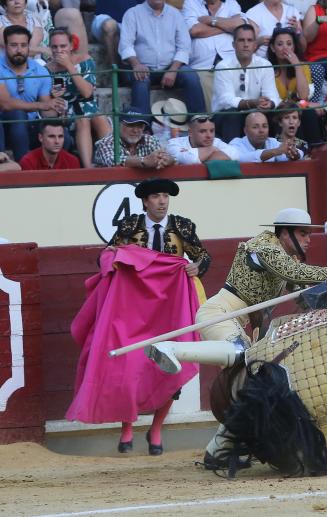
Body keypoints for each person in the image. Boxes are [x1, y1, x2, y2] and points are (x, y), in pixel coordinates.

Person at [177, 206, 327, 469]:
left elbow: (301, 287)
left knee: (255, 388)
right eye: (302, 233)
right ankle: (171, 350)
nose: (308, 239)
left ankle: (218, 451)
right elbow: (296, 274)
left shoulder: (285, 259)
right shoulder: (264, 247)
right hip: (219, 315)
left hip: (244, 324)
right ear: (284, 233)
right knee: (245, 355)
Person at [66, 177, 211, 455]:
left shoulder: (182, 225)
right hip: (134, 307)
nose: (162, 201)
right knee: (129, 366)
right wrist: (113, 261)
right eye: (156, 197)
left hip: (172, 305)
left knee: (170, 362)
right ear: (145, 201)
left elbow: (203, 256)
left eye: (165, 197)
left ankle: (156, 429)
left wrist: (197, 267)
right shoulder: (130, 225)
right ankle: (127, 429)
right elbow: (106, 255)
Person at [119, 0, 205, 116]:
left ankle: (199, 120)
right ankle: (144, 126)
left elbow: (184, 47)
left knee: (191, 76)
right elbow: (125, 45)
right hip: (143, 66)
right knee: (141, 80)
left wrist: (173, 70)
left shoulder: (175, 14)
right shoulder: (132, 13)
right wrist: (136, 64)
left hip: (171, 67)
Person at [45, 27, 111, 168]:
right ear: (50, 48)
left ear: (71, 46)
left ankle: (113, 160)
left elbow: (87, 92)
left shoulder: (85, 60)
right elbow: (47, 100)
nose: (59, 50)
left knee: (99, 117)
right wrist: (52, 95)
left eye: (63, 46)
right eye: (54, 47)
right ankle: (88, 167)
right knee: (83, 119)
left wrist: (69, 66)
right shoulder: (47, 69)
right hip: (64, 110)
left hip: (87, 103)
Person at [0, 25, 63, 159]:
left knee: (63, 134)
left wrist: (56, 108)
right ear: (5, 47)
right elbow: (6, 104)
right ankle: (23, 168)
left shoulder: (40, 70)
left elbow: (46, 108)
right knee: (17, 114)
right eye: (14, 45)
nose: (19, 50)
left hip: (31, 127)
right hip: (3, 127)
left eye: (23, 45)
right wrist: (41, 105)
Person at [211, 23, 280, 142]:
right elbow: (226, 100)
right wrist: (252, 103)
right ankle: (233, 155)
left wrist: (270, 104)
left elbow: (273, 96)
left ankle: (279, 153)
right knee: (233, 114)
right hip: (225, 116)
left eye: (250, 40)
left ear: (254, 44)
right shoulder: (223, 66)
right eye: (241, 40)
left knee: (277, 114)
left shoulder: (265, 65)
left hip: (255, 113)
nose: (246, 44)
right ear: (234, 44)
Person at [182, 0, 245, 113]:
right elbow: (194, 30)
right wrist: (227, 27)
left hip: (230, 63)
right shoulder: (190, 3)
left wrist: (210, 20)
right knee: (211, 113)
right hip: (202, 66)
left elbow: (239, 25)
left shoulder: (231, 3)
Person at [268, 25, 324, 144]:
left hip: (298, 110)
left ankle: (313, 150)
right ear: (273, 48)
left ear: (294, 47)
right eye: (280, 44)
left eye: (289, 44)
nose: (285, 48)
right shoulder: (268, 69)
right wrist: (299, 105)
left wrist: (297, 66)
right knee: (285, 116)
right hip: (277, 112)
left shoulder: (303, 67)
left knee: (307, 113)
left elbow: (303, 96)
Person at [95, 108, 175, 169]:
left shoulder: (150, 140)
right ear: (118, 125)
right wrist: (144, 161)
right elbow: (112, 161)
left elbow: (167, 158)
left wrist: (167, 159)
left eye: (140, 126)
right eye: (131, 125)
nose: (135, 130)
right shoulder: (106, 142)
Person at [166, 114, 241, 164]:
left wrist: (191, 152)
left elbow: (235, 155)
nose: (209, 136)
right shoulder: (174, 143)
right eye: (202, 131)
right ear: (190, 132)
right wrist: (212, 149)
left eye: (212, 131)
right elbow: (189, 159)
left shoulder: (216, 142)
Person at [229, 111, 299, 162]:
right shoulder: (236, 143)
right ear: (245, 130)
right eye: (255, 127)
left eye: (264, 126)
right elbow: (243, 158)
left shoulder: (271, 142)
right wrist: (275, 151)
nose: (261, 130)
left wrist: (294, 154)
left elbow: (292, 155)